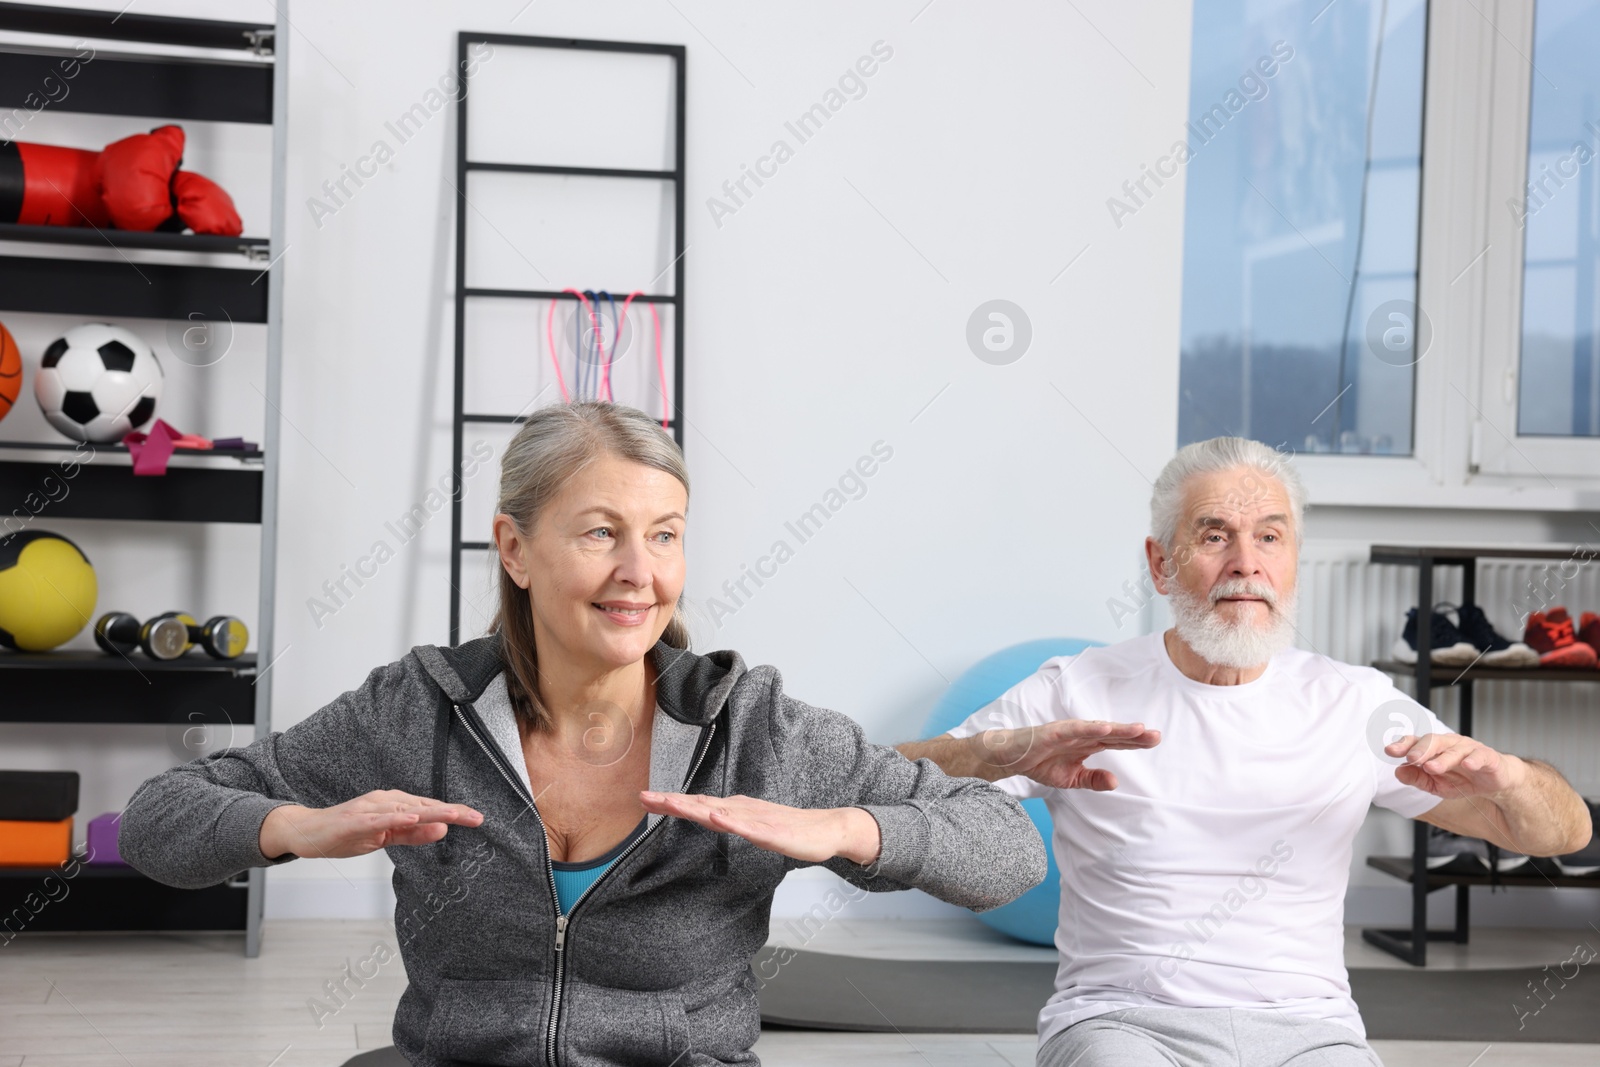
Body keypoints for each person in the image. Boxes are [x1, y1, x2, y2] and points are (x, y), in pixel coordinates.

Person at [120, 401, 1047, 1067]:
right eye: (601, 533)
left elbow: (1010, 850)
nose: (640, 573)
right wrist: (291, 826)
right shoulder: (417, 709)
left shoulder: (754, 726)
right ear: (514, 549)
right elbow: (158, 818)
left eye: (666, 534)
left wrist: (851, 831)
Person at [897, 436, 1592, 1067]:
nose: (1246, 564)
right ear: (1160, 563)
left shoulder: (1355, 701)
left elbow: (1566, 832)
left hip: (1312, 1032)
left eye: (1269, 536)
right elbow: (890, 778)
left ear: (1292, 560)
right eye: (1214, 536)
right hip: (1124, 1025)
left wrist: (1513, 778)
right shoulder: (1078, 686)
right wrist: (998, 751)